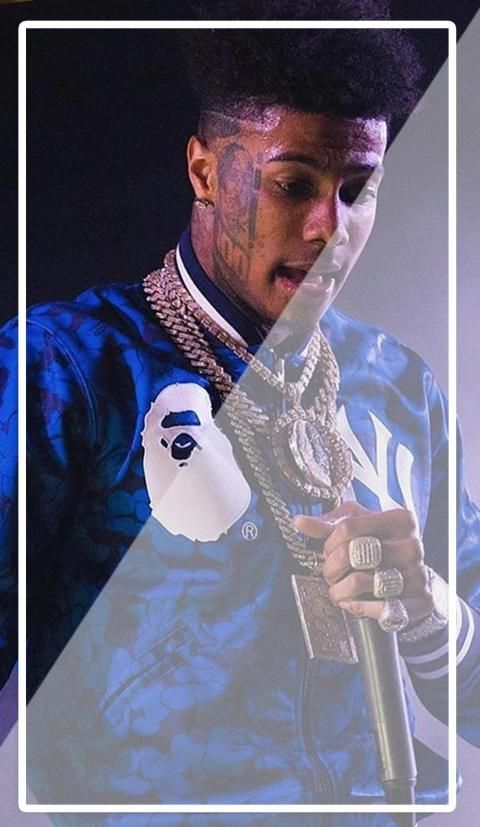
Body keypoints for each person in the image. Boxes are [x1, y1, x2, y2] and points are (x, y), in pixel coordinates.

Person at [1, 3, 479, 825]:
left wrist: (432, 614)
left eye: (359, 190)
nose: (332, 229)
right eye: (294, 184)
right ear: (204, 171)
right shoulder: (65, 371)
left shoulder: (398, 386)